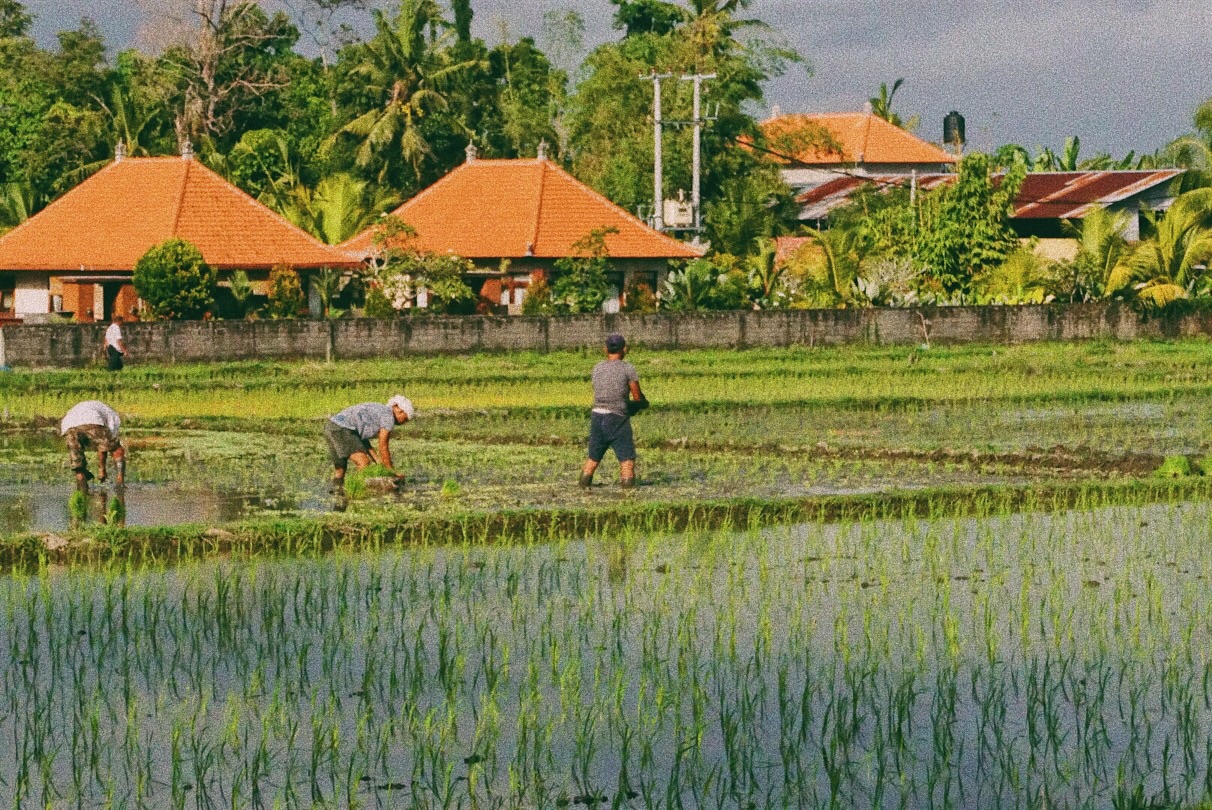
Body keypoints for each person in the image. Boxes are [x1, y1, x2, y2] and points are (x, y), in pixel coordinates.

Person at [580, 333, 647, 489]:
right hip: (617, 418)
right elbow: (637, 396)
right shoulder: (628, 368)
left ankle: (583, 490)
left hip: (597, 416)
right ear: (625, 349)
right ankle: (628, 497)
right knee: (627, 461)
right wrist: (642, 404)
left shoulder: (597, 368)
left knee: (592, 459)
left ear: (606, 349)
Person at [325, 395, 415, 490]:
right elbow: (383, 445)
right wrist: (390, 471)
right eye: (405, 419)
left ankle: (338, 494)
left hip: (331, 426)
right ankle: (357, 491)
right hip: (343, 428)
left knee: (340, 470)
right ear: (400, 410)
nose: (403, 423)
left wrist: (376, 459)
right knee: (363, 462)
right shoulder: (388, 416)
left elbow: (360, 438)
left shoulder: (379, 410)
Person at [61, 400, 125, 487]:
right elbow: (104, 446)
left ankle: (82, 489)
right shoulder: (113, 416)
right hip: (93, 420)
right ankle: (120, 481)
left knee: (78, 465)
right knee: (117, 449)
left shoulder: (98, 408)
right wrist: (102, 469)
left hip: (69, 426)